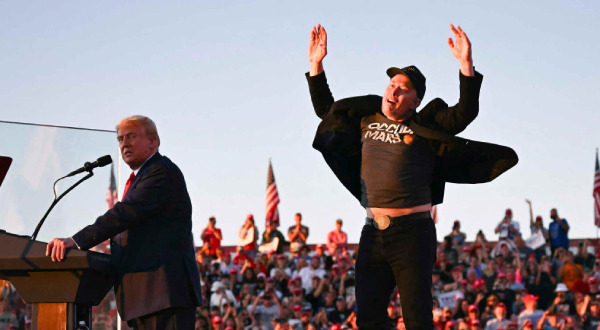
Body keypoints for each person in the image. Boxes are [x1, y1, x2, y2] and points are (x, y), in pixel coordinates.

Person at [306, 23, 516, 329]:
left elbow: (463, 114)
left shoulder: (425, 125)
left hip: (413, 232)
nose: (394, 90)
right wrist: (316, 64)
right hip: (372, 232)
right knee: (368, 319)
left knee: (417, 318)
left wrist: (466, 66)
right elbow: (328, 111)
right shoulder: (365, 119)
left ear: (415, 100)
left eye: (403, 88)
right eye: (392, 83)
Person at [46, 115, 202, 328]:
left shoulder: (161, 171)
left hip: (164, 296)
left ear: (153, 142)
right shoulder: (143, 176)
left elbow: (124, 213)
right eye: (120, 139)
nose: (124, 143)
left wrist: (77, 240)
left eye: (131, 136)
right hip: (144, 298)